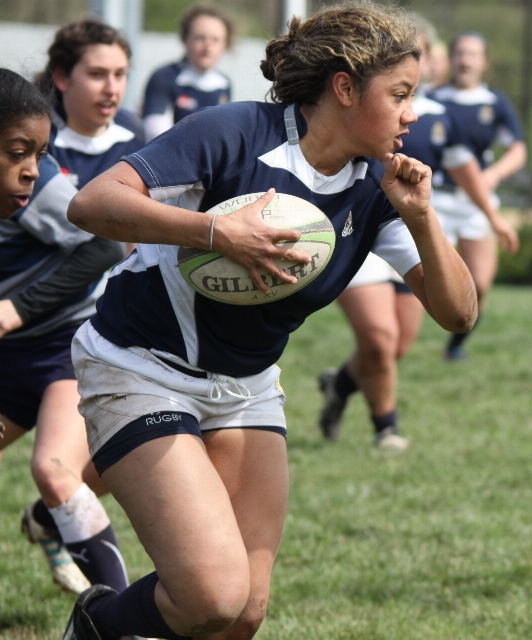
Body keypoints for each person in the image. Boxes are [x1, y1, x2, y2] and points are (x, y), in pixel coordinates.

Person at [60, 4, 476, 639]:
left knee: (245, 611)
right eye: (400, 95)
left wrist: (421, 216)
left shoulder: (377, 187)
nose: (412, 113)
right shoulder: (235, 133)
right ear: (344, 88)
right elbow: (93, 203)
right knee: (211, 597)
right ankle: (96, 626)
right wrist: (215, 231)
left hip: (246, 385)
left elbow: (459, 312)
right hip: (139, 364)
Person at [318, 19, 511, 451]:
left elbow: (467, 171)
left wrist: (493, 218)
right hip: (357, 225)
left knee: (399, 343)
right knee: (380, 339)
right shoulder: (357, 114)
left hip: (404, 228)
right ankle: (387, 428)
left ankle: (341, 386)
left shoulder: (436, 116)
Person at [0, 68, 127, 597]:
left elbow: (103, 246)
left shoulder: (44, 181)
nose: (33, 170)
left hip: (63, 346)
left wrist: (16, 308)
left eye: (39, 152)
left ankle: (120, 620)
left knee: (56, 472)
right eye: (18, 153)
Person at [430, 30, 524, 360]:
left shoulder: (494, 103)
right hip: (437, 199)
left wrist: (495, 174)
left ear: (484, 62)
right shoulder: (435, 100)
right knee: (425, 277)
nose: (466, 60)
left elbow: (518, 150)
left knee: (479, 285)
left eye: (473, 55)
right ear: (451, 60)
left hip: (477, 204)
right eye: (460, 54)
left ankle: (455, 347)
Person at [36, 20, 144, 192]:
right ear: (62, 78)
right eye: (97, 74)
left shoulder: (133, 133)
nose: (112, 89)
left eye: (120, 74)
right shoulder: (38, 135)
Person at [142, 3, 233, 142]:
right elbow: (155, 133)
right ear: (185, 39)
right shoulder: (165, 77)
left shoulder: (224, 84)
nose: (208, 45)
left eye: (215, 40)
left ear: (225, 45)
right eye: (200, 38)